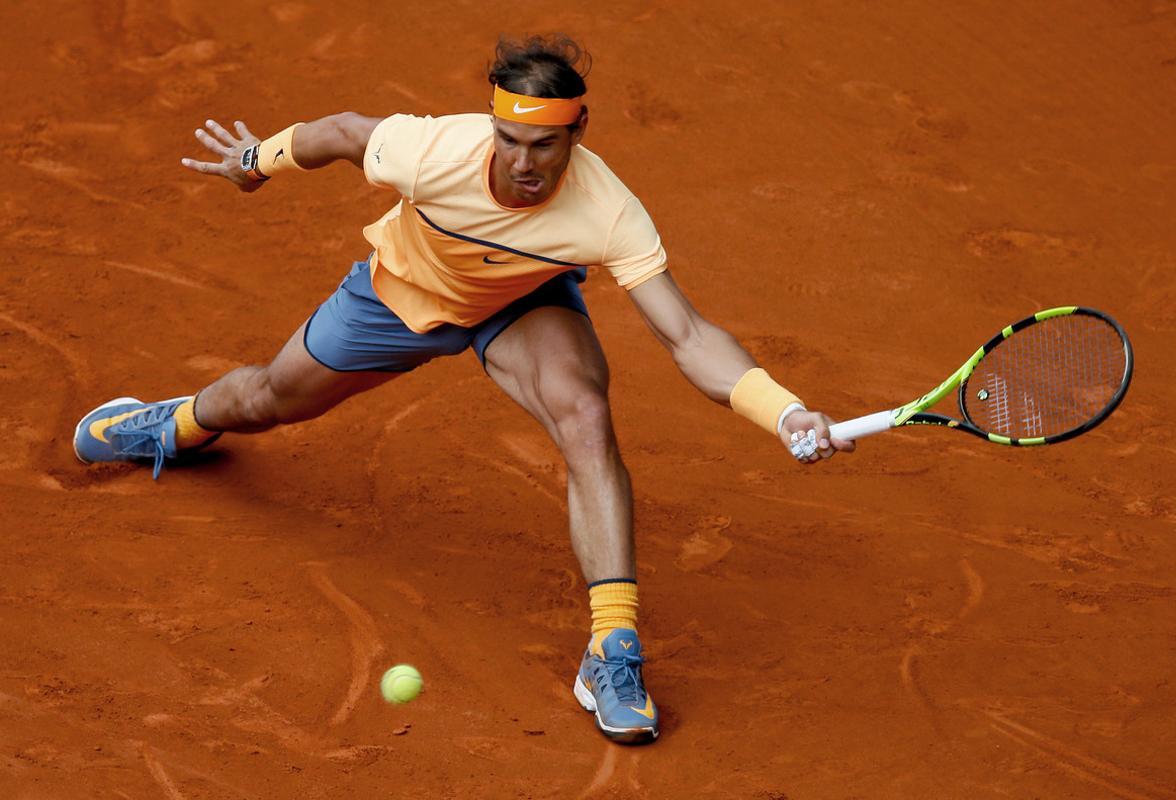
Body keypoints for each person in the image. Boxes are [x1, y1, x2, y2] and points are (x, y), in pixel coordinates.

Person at [73, 34, 854, 744]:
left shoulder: (608, 209)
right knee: (266, 401)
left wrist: (779, 409)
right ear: (491, 126)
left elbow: (686, 335)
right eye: (510, 139)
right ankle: (175, 424)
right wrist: (258, 163)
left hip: (520, 306)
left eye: (544, 145)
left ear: (577, 135)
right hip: (402, 295)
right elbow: (343, 131)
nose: (523, 163)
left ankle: (611, 649)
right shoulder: (432, 151)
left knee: (584, 414)